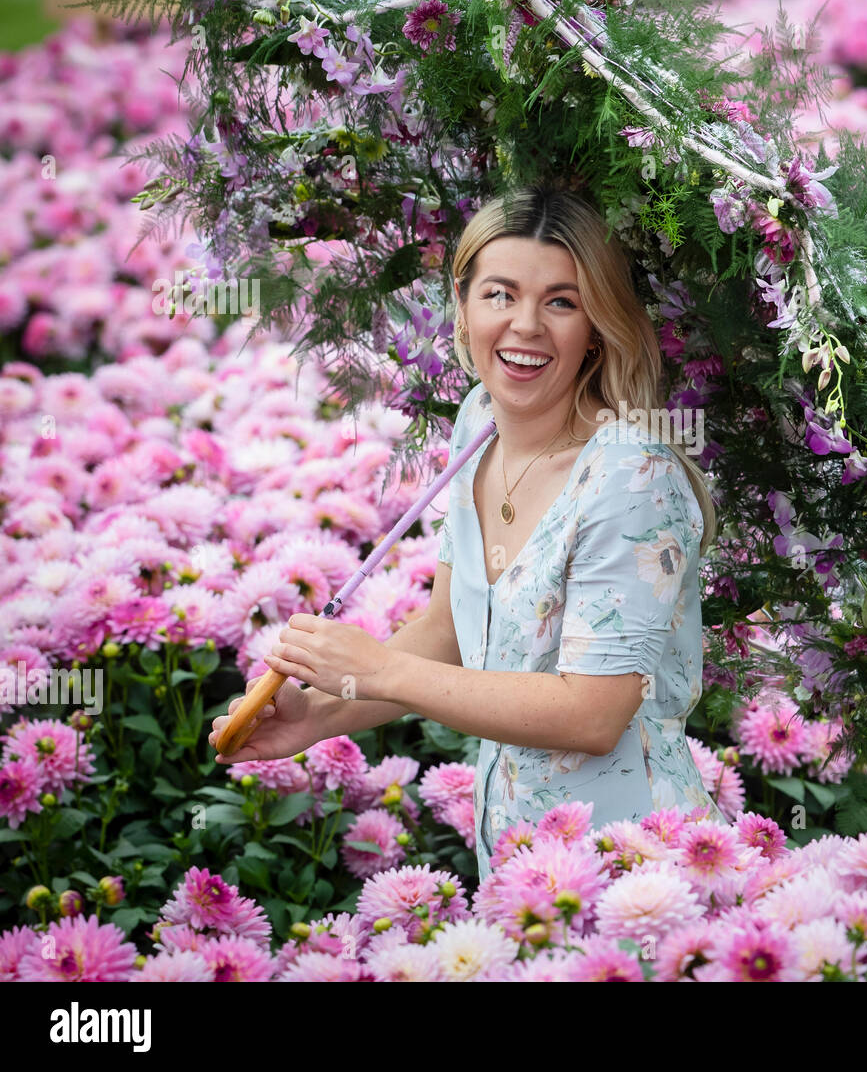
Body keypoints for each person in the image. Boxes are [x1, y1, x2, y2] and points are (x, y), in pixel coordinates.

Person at [209, 183, 728, 882]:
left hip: (631, 867)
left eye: (561, 302)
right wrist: (321, 713)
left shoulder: (633, 477)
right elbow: (451, 634)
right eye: (500, 294)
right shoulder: (478, 424)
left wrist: (376, 666)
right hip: (517, 867)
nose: (526, 325)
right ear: (463, 303)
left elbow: (593, 712)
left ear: (598, 325)